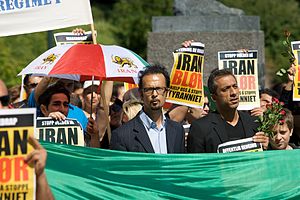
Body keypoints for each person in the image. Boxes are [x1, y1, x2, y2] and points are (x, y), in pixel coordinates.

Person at [187, 68, 269, 153]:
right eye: (226, 89)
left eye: (235, 86)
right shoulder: (201, 128)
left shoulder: (254, 122)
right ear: (214, 97)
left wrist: (265, 147)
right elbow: (196, 164)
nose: (233, 93)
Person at [110, 65, 185, 153]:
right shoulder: (122, 135)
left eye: (159, 89)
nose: (154, 94)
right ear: (141, 94)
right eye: (149, 89)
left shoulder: (177, 130)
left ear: (167, 93)